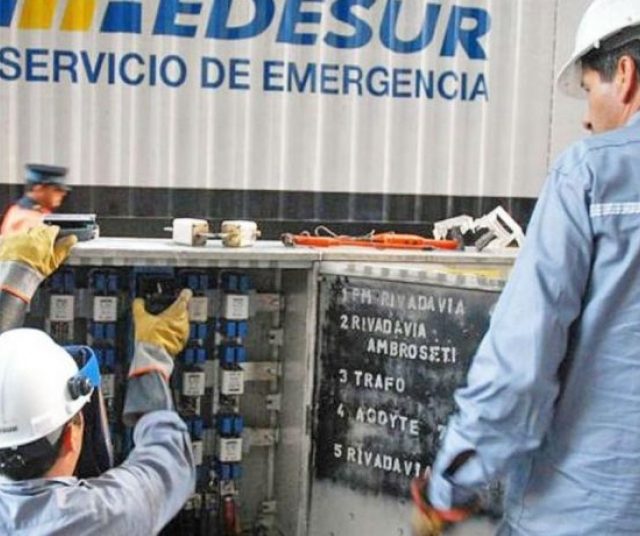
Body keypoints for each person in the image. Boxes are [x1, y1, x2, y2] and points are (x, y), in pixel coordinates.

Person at [411, 0, 640, 534]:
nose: (587, 117)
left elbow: (519, 367)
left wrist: (449, 487)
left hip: (584, 512)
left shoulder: (591, 174)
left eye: (590, 89)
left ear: (625, 75)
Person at [0, 225, 196, 534]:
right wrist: (154, 354)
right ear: (73, 433)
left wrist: (16, 280)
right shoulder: (106, 516)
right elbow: (169, 461)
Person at [0, 164, 70, 236]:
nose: (63, 194)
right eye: (57, 190)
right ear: (39, 189)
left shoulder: (19, 209)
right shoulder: (28, 218)